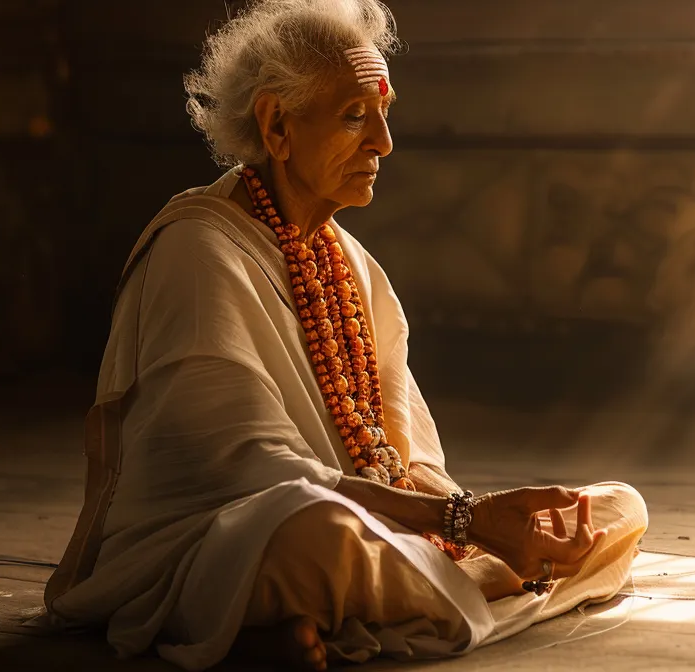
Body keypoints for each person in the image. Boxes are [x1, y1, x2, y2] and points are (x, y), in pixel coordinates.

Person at [35, 1, 648, 669]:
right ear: (277, 125)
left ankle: (381, 598)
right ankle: (450, 586)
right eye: (356, 117)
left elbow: (403, 463)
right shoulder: (197, 249)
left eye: (386, 114)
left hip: (385, 527)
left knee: (615, 507)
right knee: (313, 536)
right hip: (227, 540)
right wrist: (469, 525)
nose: (384, 142)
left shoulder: (350, 263)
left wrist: (482, 521)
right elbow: (262, 477)